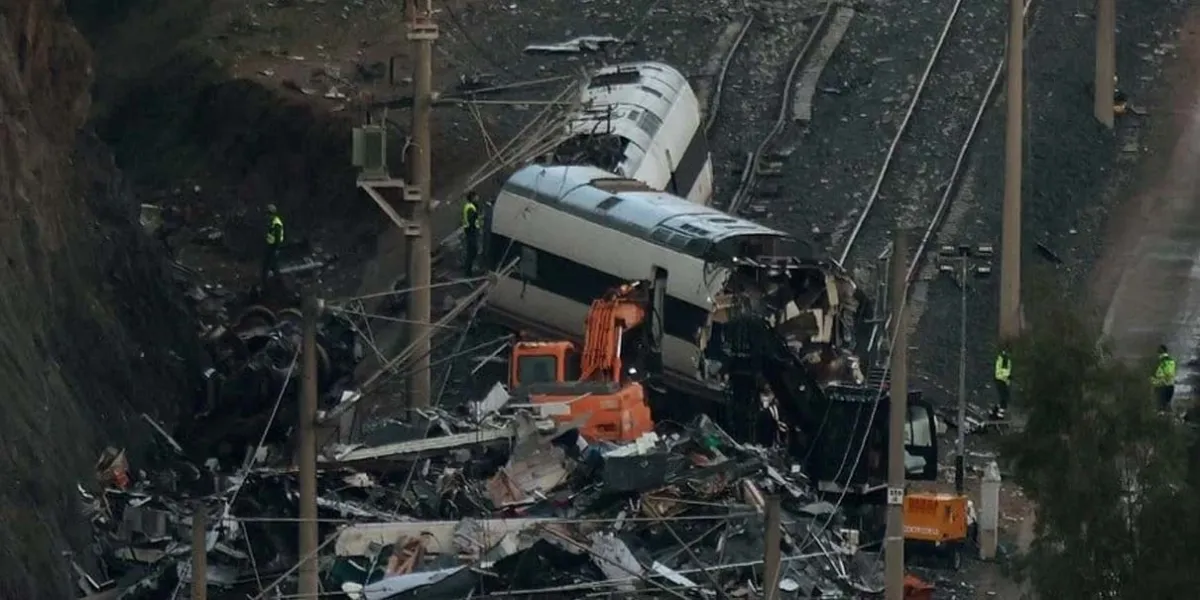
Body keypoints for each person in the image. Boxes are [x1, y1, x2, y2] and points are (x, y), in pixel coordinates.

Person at [262, 204, 284, 285]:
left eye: (268, 214)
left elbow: (277, 237)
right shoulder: (272, 221)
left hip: (274, 246)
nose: (267, 216)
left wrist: (277, 249)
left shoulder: (276, 223)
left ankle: (276, 281)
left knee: (272, 264)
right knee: (268, 263)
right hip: (270, 245)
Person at [1152, 344, 1177, 412]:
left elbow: (1156, 374)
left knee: (1160, 408)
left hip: (1161, 386)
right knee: (1167, 406)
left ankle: (1163, 420)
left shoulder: (1159, 361)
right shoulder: (1172, 361)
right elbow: (1172, 373)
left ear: (1160, 352)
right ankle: (1173, 419)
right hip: (1171, 386)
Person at [461, 192, 481, 276]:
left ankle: (468, 271)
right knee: (472, 252)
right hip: (471, 232)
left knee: (472, 251)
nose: (478, 198)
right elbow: (471, 220)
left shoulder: (470, 206)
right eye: (476, 197)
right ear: (473, 198)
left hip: (470, 232)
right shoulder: (470, 207)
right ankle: (468, 272)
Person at [992, 347, 1012, 420]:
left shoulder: (1007, 359)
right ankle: (999, 414)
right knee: (1004, 397)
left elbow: (1007, 370)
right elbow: (1002, 370)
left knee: (1005, 398)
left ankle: (998, 412)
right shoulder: (1003, 359)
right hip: (1000, 379)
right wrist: (1007, 376)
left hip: (1003, 380)